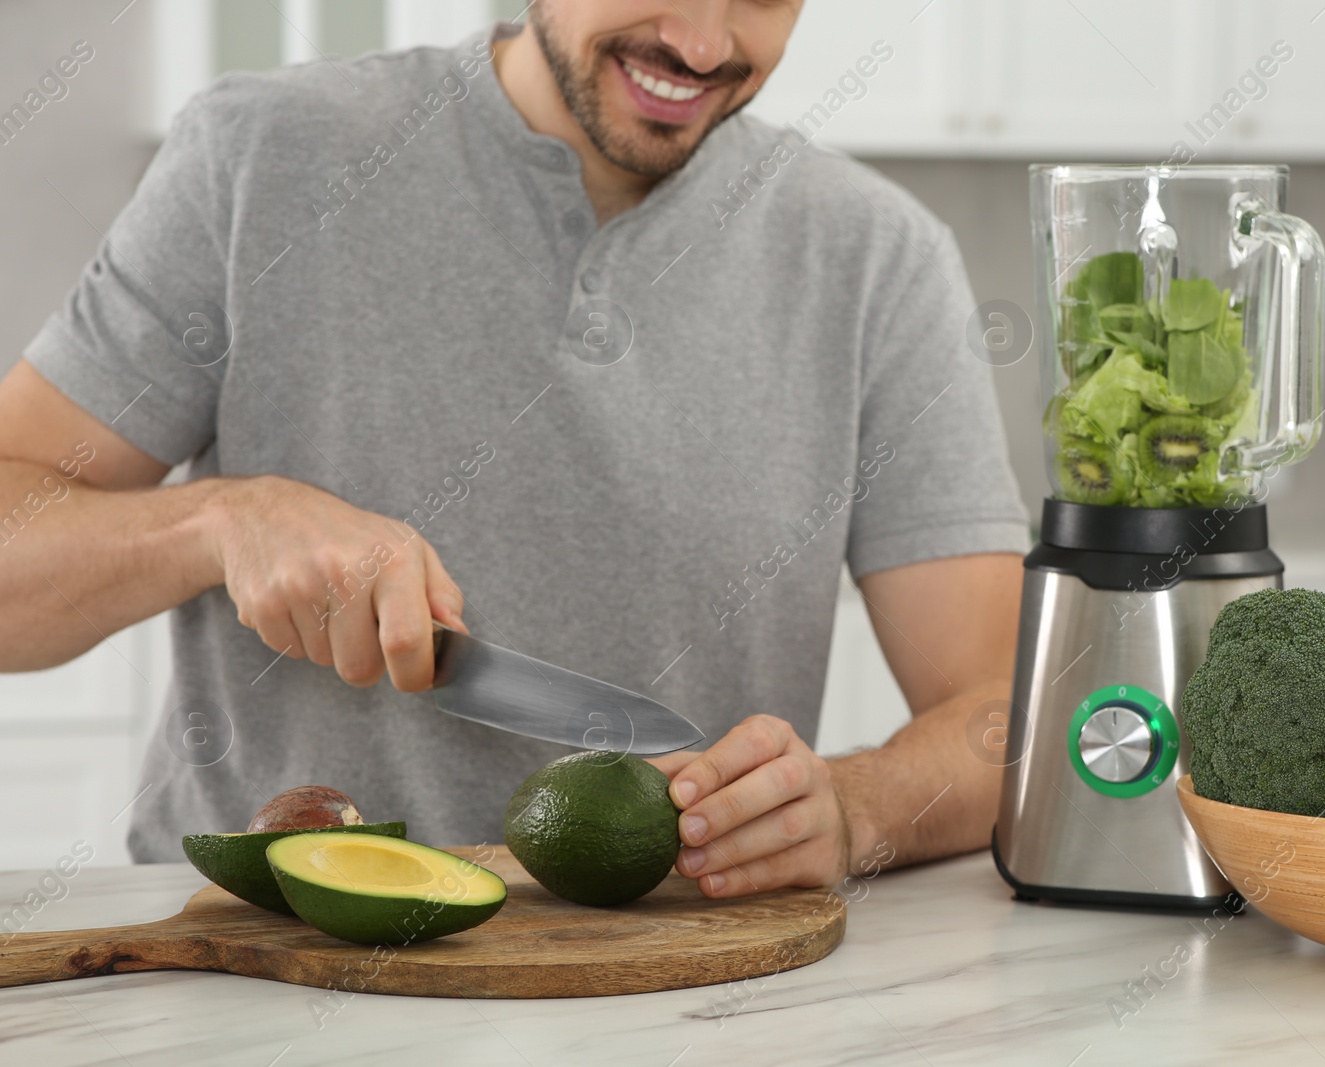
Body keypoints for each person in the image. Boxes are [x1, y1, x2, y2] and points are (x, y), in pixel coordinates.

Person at [0, 1, 1027, 897]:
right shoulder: (260, 152)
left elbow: (1002, 711)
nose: (703, 40)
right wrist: (219, 519)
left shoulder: (879, 259)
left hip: (664, 991)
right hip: (255, 961)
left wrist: (854, 806)